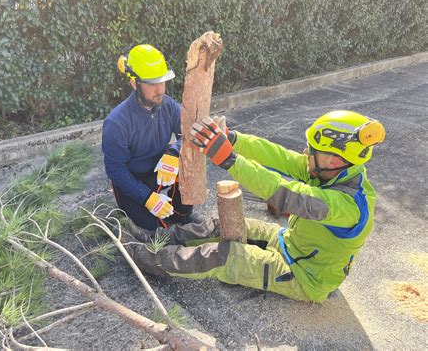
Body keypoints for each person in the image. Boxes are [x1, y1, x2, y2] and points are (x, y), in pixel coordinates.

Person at [124, 110, 386, 302]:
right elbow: (278, 156)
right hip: (289, 242)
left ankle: (140, 256)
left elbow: (285, 194)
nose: (306, 152)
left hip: (302, 275)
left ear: (332, 160)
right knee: (224, 224)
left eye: (313, 149)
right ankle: (155, 238)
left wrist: (228, 159)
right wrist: (233, 138)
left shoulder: (348, 206)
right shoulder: (332, 171)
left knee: (223, 256)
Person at [102, 44, 193, 231]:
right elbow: (115, 170)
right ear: (135, 83)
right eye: (152, 84)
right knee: (150, 226)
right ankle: (144, 213)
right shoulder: (117, 122)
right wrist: (147, 198)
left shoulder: (167, 105)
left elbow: (189, 133)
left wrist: (174, 153)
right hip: (131, 178)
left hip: (159, 168)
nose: (160, 89)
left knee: (191, 164)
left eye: (162, 81)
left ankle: (182, 214)